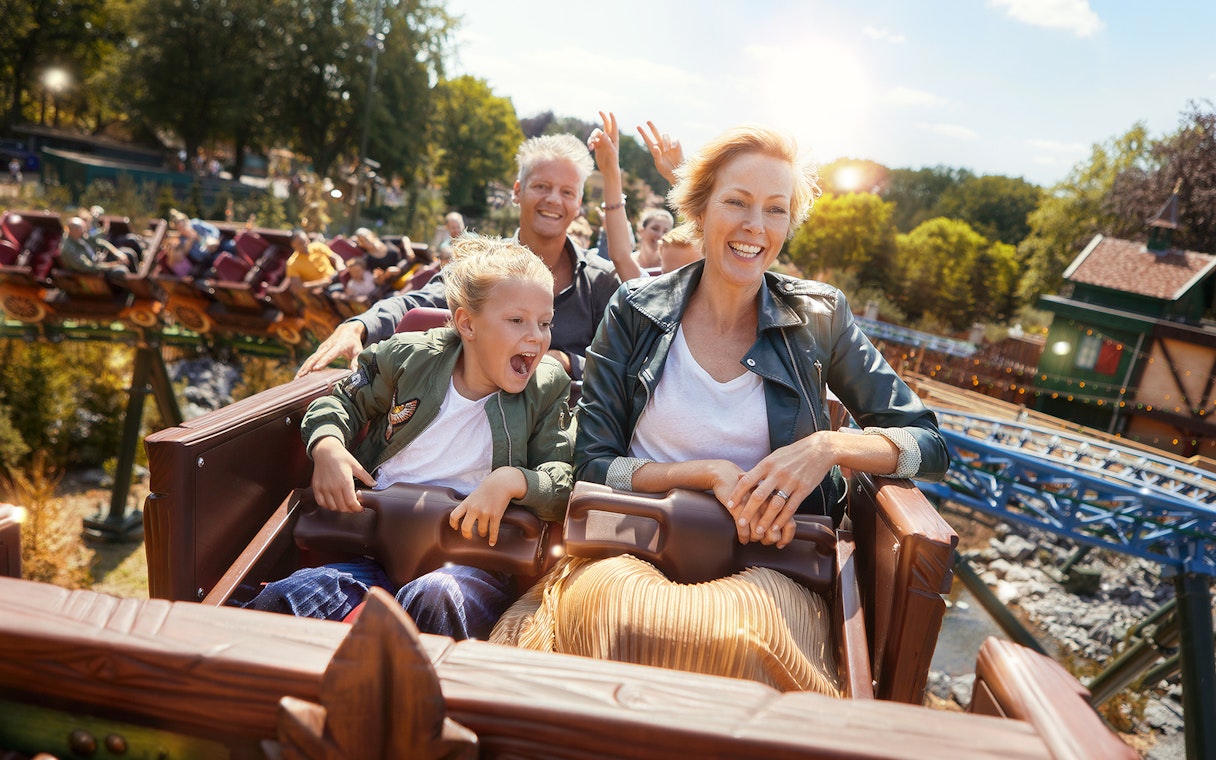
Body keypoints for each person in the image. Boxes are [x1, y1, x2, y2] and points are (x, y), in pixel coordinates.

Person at [492, 124, 949, 693]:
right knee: (628, 621)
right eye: (737, 202)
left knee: (738, 639)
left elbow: (928, 444)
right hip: (635, 543)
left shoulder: (821, 315)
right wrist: (703, 476)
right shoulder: (635, 309)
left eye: (775, 210)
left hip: (770, 564)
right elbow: (592, 464)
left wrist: (826, 447)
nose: (755, 226)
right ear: (701, 209)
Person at [245, 235, 573, 640]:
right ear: (466, 323)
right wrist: (327, 445)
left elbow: (562, 478)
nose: (537, 337)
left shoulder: (545, 387)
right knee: (288, 599)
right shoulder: (409, 359)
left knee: (433, 598)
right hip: (374, 546)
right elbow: (343, 402)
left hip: (472, 561)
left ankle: (416, 697)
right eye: (517, 320)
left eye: (545, 323)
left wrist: (514, 481)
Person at [297, 131, 621, 382]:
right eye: (541, 186)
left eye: (567, 192)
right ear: (517, 191)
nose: (553, 200)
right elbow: (418, 301)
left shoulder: (599, 279)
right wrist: (358, 327)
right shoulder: (481, 265)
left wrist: (563, 361)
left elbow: (618, 360)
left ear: (579, 204)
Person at [58, 217, 133, 274]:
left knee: (128, 253)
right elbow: (88, 267)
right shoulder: (69, 249)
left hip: (98, 261)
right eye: (82, 229)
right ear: (74, 231)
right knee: (121, 270)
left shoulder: (80, 236)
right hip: (91, 273)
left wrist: (117, 253)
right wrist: (113, 265)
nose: (85, 231)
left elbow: (100, 242)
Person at [169, 209, 223, 274]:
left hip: (219, 244)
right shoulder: (183, 241)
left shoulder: (196, 223)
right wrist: (207, 249)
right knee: (220, 258)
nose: (184, 229)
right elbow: (198, 258)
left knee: (231, 246)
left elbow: (214, 229)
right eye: (181, 228)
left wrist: (213, 239)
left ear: (187, 222)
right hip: (209, 257)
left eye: (184, 225)